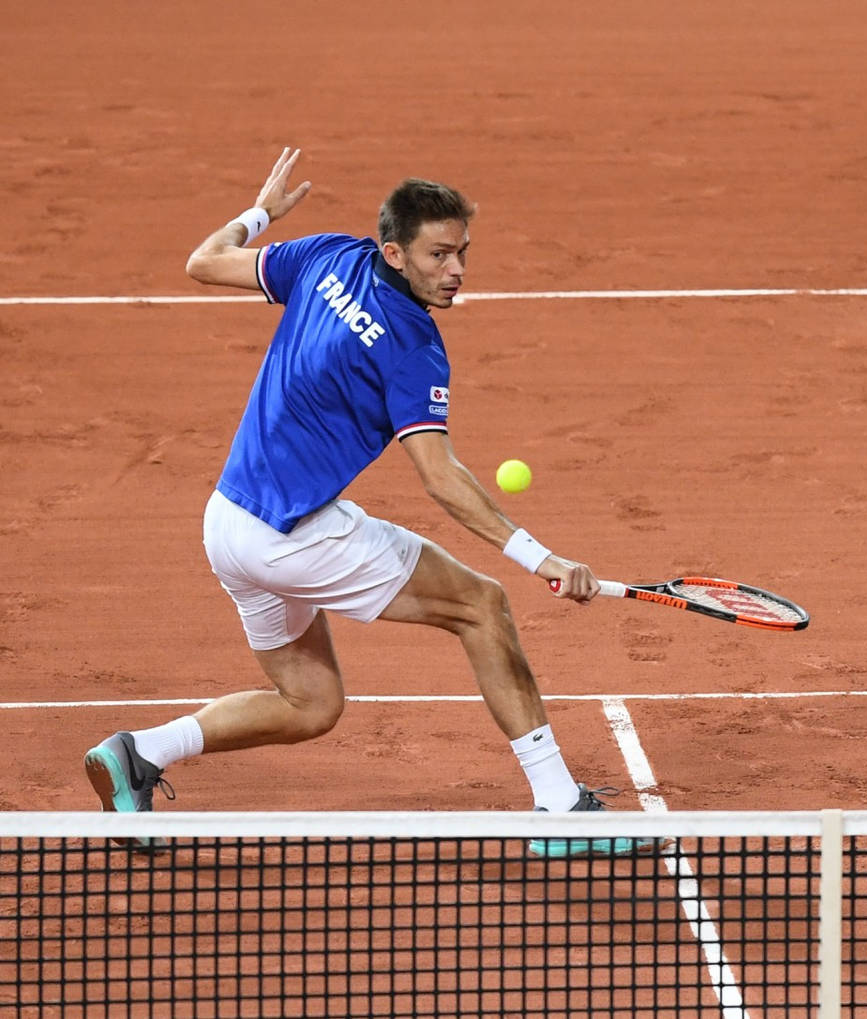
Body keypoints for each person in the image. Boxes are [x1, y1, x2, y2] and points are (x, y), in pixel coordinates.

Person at [83, 148, 656, 857]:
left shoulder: (326, 257)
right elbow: (440, 478)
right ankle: (561, 808)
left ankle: (138, 752)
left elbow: (204, 261)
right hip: (290, 536)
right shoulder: (413, 347)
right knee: (481, 605)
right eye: (439, 254)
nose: (456, 271)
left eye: (462, 253)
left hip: (227, 523)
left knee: (311, 702)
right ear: (394, 250)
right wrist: (539, 557)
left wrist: (262, 213)